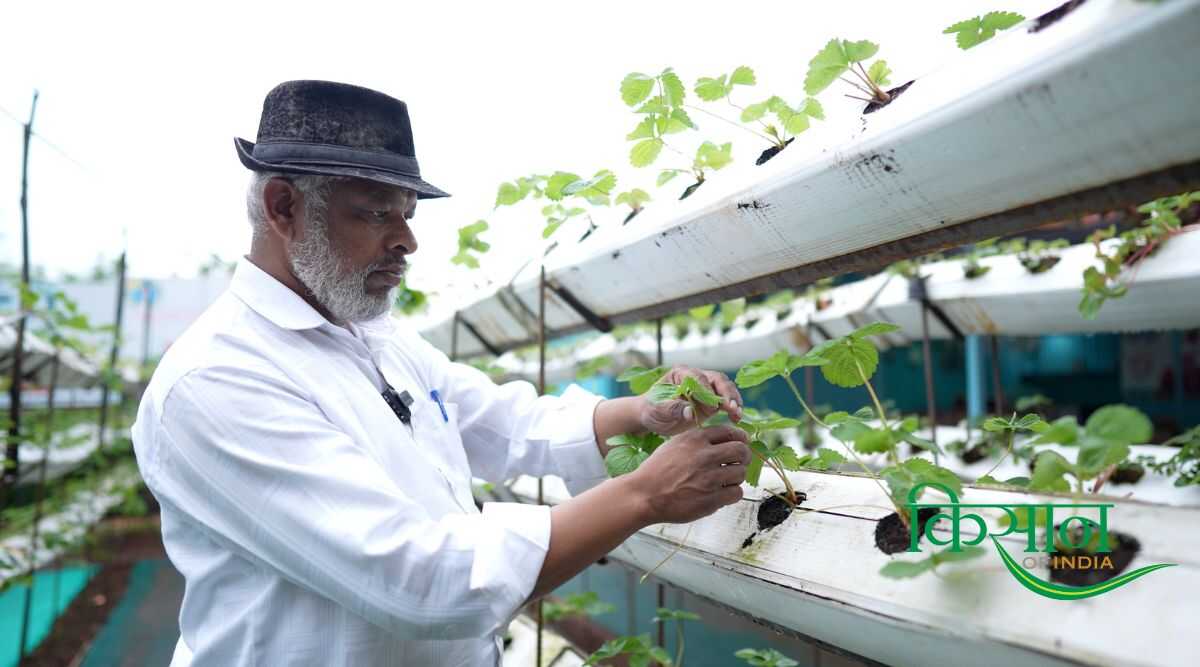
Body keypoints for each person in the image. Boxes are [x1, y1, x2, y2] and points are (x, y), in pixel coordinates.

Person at [131, 80, 751, 666]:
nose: (406, 241)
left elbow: (497, 421)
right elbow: (419, 581)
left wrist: (641, 412)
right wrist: (642, 495)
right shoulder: (218, 379)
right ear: (283, 206)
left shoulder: (372, 336)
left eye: (407, 214)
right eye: (376, 214)